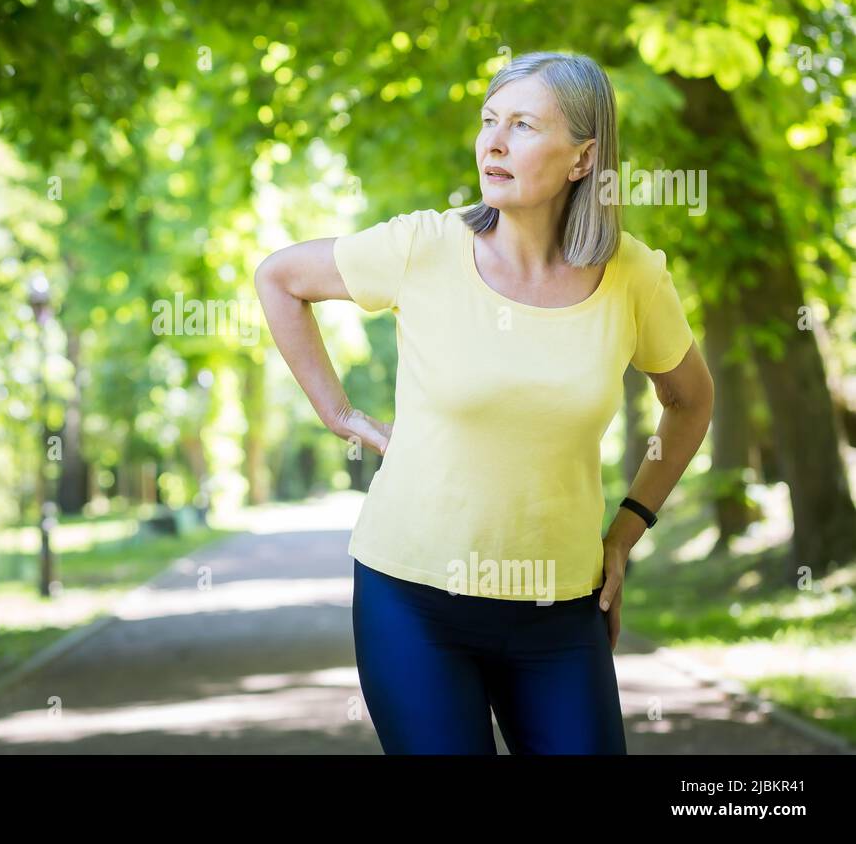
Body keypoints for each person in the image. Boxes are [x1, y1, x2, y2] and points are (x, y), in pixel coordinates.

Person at [253, 51, 714, 754]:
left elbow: (690, 402)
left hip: (561, 612)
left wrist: (625, 532)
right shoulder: (424, 247)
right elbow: (280, 278)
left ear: (583, 159)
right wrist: (341, 417)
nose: (492, 143)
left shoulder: (633, 276)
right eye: (489, 121)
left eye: (523, 125)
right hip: (412, 600)